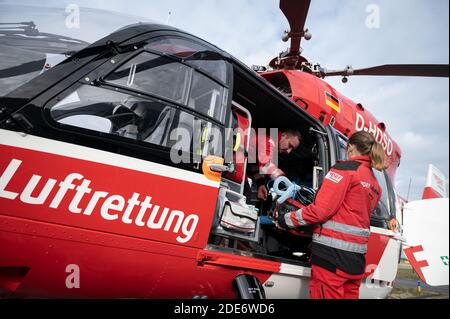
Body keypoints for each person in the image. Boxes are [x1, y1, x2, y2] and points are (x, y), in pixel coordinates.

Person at [276, 131, 384, 299]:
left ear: (350, 147)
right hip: (356, 262)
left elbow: (320, 211)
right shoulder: (375, 184)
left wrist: (285, 219)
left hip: (332, 259)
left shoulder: (343, 170)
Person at [247, 129, 302, 201]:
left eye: (292, 149)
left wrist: (260, 184)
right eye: (290, 145)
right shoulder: (269, 140)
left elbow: (255, 167)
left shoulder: (272, 146)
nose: (289, 151)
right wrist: (283, 179)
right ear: (283, 135)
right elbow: (265, 163)